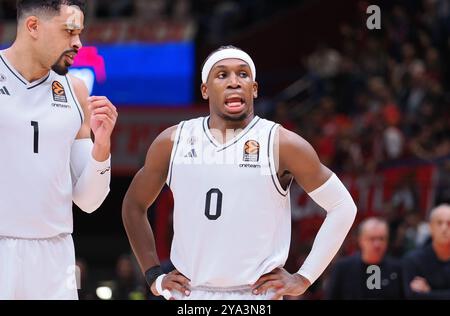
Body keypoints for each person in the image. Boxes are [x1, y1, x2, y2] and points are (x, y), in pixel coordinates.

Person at [122, 46, 357, 300]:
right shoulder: (172, 141)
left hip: (257, 297)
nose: (234, 82)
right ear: (205, 90)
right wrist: (154, 277)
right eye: (222, 75)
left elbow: (343, 206)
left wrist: (304, 277)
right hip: (191, 295)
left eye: (243, 74)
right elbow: (133, 205)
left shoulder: (282, 144)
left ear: (254, 88)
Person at [0, 0, 117, 300]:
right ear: (33, 27)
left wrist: (102, 145)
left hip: (57, 254)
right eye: (69, 32)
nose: (78, 43)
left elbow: (89, 201)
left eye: (79, 33)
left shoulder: (75, 90)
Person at [325, 217, 403, 299]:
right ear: (360, 240)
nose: (377, 244)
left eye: (381, 238)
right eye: (372, 239)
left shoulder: (397, 269)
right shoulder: (342, 268)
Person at [402, 204, 450, 299]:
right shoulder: (413, 260)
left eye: (449, 223)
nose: (444, 228)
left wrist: (429, 293)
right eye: (439, 223)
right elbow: (411, 296)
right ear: (430, 227)